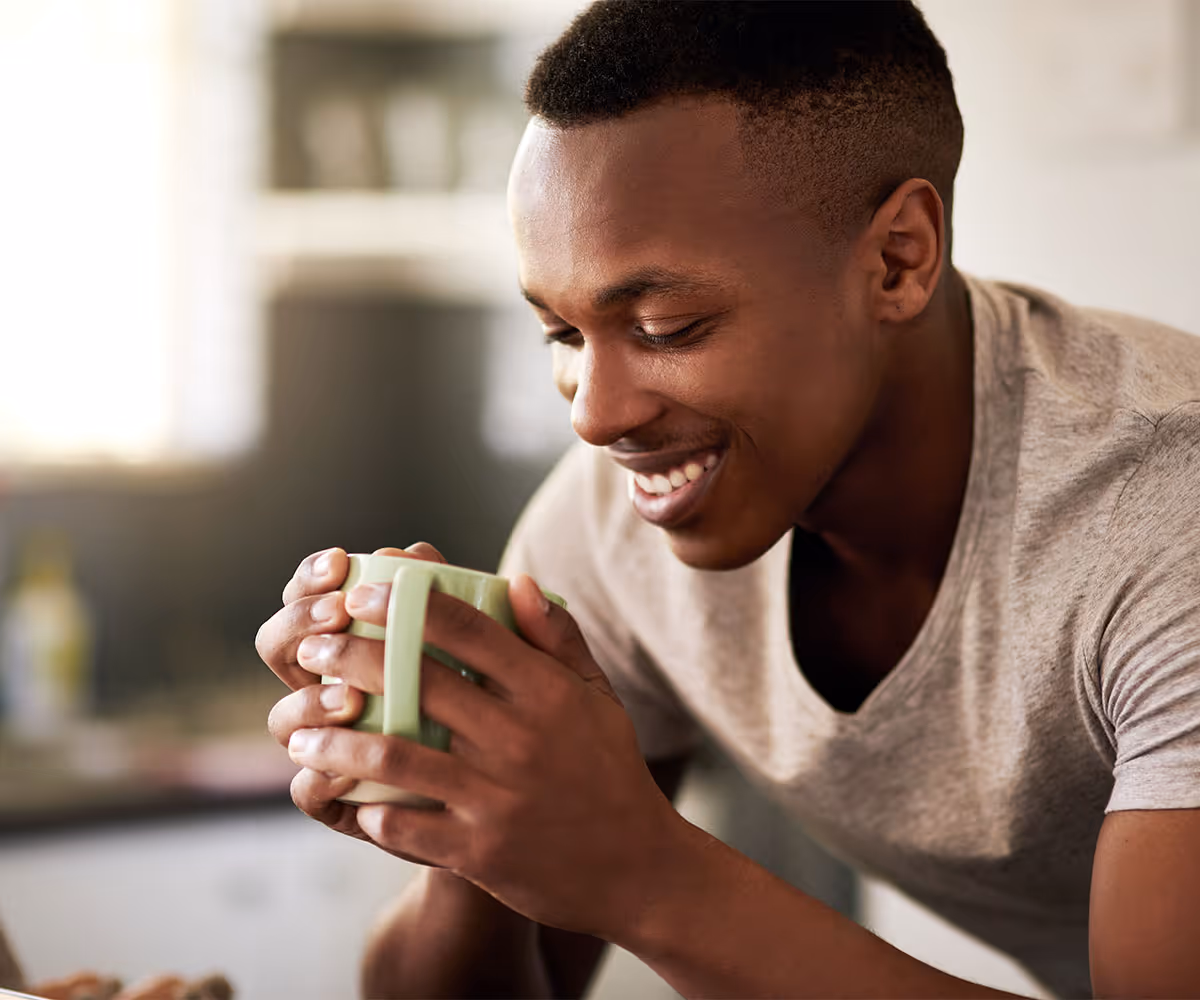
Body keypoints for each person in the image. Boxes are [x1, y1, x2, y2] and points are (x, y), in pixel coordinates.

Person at [255, 2, 1200, 997]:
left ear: (897, 259)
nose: (596, 418)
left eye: (667, 325)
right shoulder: (613, 520)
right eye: (563, 335)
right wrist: (458, 804)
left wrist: (643, 872)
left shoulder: (1164, 513)